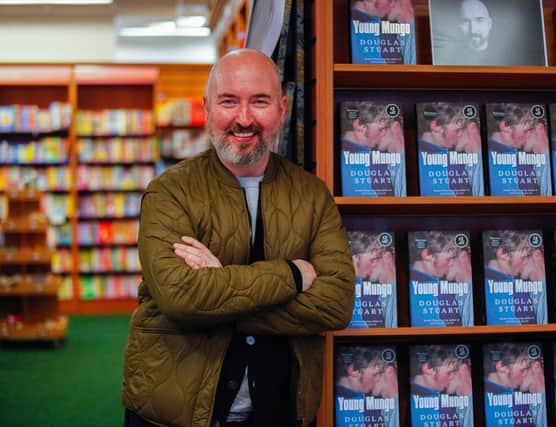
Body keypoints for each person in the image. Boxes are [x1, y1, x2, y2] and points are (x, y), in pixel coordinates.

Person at [122, 49, 355, 427]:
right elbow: (179, 298)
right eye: (229, 101)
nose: (243, 119)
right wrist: (293, 276)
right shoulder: (169, 193)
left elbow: (337, 304)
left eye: (259, 102)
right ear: (207, 108)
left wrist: (220, 288)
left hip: (279, 412)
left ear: (281, 108)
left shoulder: (312, 195)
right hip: (173, 413)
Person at [488, 105, 551, 196]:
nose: (532, 135)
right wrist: (544, 153)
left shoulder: (522, 154)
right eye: (527, 130)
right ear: (505, 126)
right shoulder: (490, 158)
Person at [348, 231, 397, 328]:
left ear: (387, 257)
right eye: (372, 260)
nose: (371, 267)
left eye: (374, 260)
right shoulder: (379, 295)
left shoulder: (397, 294)